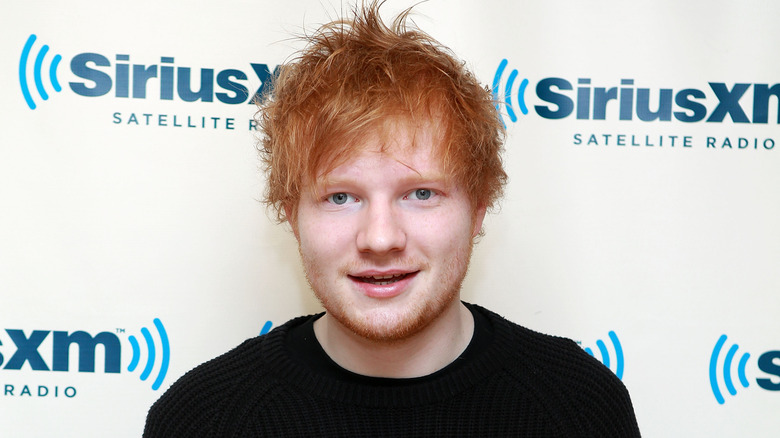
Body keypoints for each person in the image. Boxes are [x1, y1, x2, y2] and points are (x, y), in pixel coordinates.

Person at [144, 2, 641, 436]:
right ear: (291, 215)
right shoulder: (203, 419)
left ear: (480, 208)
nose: (380, 238)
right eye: (341, 197)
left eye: (420, 193)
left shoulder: (579, 407)